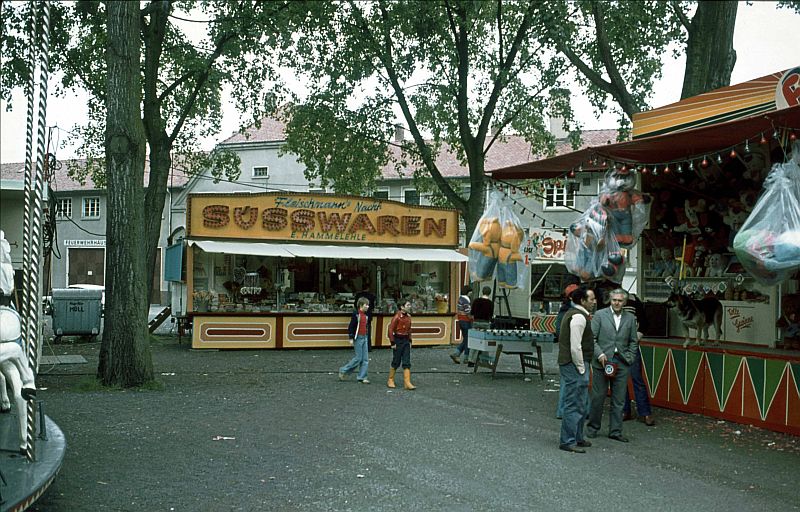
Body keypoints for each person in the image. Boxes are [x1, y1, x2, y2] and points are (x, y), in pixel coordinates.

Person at [587, 288, 639, 442]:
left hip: (621, 362)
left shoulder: (630, 318)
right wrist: (600, 354)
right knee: (598, 397)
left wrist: (629, 358)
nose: (617, 303)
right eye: (614, 300)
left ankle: (615, 431)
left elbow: (633, 341)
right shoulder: (600, 315)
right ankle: (593, 427)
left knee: (619, 399)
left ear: (624, 302)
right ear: (610, 300)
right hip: (602, 361)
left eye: (620, 300)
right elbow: (592, 338)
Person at [558, 286, 596, 453]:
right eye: (591, 299)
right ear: (582, 301)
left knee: (580, 402)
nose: (594, 302)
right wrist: (581, 367)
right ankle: (568, 440)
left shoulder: (576, 314)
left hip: (573, 363)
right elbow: (575, 347)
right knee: (574, 403)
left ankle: (577, 437)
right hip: (574, 364)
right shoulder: (579, 318)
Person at [622, 294, 655, 426]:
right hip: (617, 347)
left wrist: (635, 338)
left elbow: (644, 324)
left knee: (636, 378)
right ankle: (632, 411)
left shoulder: (634, 304)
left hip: (630, 346)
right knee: (621, 379)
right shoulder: (609, 309)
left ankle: (643, 412)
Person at [554, 283, 580, 419]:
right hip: (570, 352)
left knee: (570, 382)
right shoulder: (569, 313)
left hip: (567, 351)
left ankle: (567, 410)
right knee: (569, 381)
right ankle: (563, 410)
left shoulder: (564, 311)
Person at [338, 297, 372, 383]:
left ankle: (362, 377)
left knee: (365, 359)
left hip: (364, 337)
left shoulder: (366, 315)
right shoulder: (356, 315)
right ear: (361, 305)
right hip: (358, 338)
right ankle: (344, 370)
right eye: (366, 305)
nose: (368, 306)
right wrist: (351, 337)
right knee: (358, 358)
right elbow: (351, 326)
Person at [387, 299, 415, 390]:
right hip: (398, 339)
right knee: (396, 360)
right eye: (407, 305)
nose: (409, 306)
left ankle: (407, 382)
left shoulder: (408, 317)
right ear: (402, 307)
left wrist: (410, 340)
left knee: (406, 360)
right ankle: (390, 379)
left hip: (406, 339)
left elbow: (409, 329)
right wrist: (392, 342)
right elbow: (390, 329)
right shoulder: (397, 317)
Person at [450, 286, 472, 364]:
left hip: (461, 320)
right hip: (466, 320)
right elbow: (468, 311)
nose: (471, 293)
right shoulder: (466, 300)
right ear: (468, 292)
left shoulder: (460, 298)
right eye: (470, 291)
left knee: (466, 338)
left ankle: (456, 353)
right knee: (468, 339)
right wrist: (472, 318)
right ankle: (466, 357)